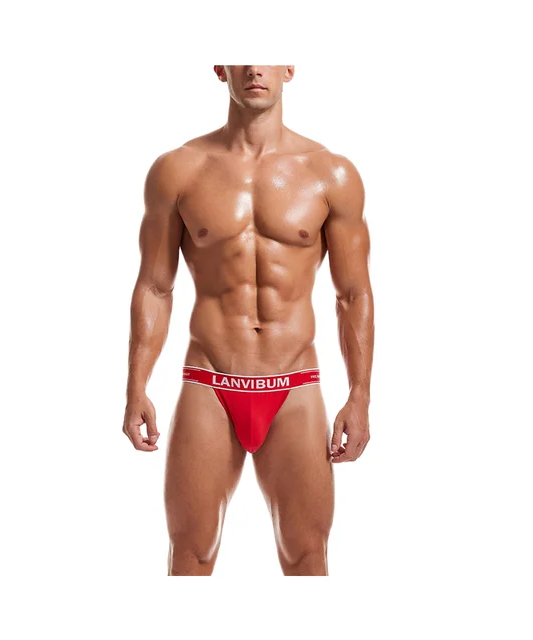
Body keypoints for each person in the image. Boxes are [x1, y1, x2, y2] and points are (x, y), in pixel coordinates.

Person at [123, 65, 374, 576]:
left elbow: (353, 294)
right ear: (219, 67)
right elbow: (155, 286)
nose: (255, 67)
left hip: (294, 385)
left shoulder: (331, 174)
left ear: (290, 68)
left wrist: (360, 396)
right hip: (210, 382)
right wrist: (136, 387)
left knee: (307, 558)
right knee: (190, 557)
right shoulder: (178, 170)